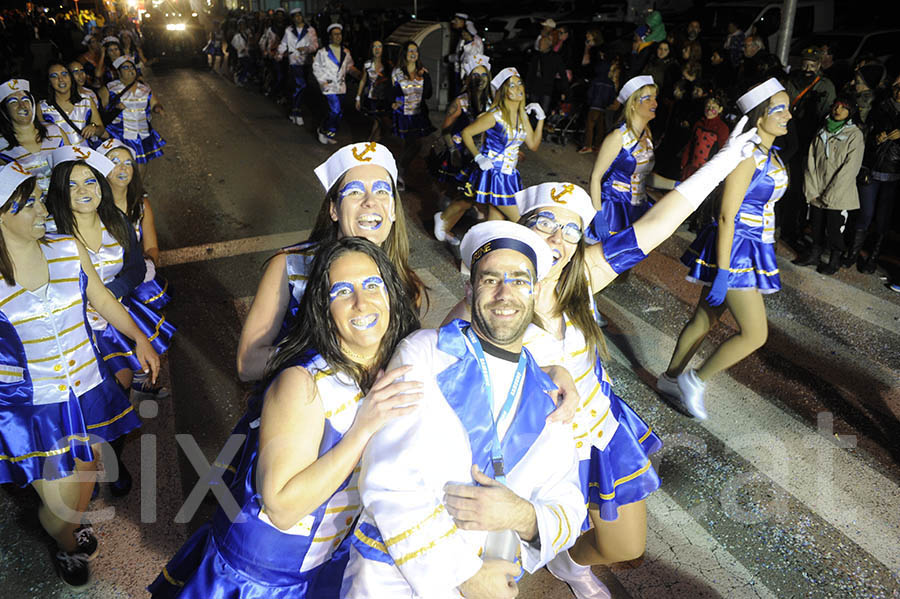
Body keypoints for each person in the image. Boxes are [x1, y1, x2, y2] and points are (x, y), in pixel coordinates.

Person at [148, 237, 422, 599]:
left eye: (373, 284)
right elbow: (280, 506)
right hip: (261, 576)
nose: (362, 301)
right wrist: (363, 429)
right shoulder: (302, 383)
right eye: (343, 291)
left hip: (324, 562)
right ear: (324, 309)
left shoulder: (392, 366)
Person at [342, 221, 586, 598]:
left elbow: (570, 507)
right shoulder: (424, 353)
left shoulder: (547, 394)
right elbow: (388, 479)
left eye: (520, 281)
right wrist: (466, 575)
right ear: (471, 290)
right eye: (491, 280)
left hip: (494, 583)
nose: (505, 293)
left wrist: (521, 515)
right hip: (395, 578)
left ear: (535, 292)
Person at [0, 161, 153, 588]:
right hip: (30, 407)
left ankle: (67, 534)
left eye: (37, 199)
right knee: (59, 503)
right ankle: (68, 544)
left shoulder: (67, 248)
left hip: (87, 386)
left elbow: (101, 297)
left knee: (83, 483)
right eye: (27, 204)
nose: (42, 209)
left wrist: (138, 338)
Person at [236, 142, 425, 383]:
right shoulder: (290, 266)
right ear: (334, 209)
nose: (370, 201)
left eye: (381, 191)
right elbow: (247, 364)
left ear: (394, 211)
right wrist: (333, 353)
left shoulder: (407, 283)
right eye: (355, 191)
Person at [659, 78, 791, 420]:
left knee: (704, 318)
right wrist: (724, 270)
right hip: (736, 249)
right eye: (780, 109)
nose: (789, 115)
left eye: (788, 108)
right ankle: (694, 380)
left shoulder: (769, 155)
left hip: (751, 246)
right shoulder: (748, 156)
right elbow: (726, 214)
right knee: (755, 333)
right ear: (759, 118)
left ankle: (670, 379)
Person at [435, 68, 544, 240]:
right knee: (519, 219)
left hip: (509, 175)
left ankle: (474, 257)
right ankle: (446, 221)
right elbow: (466, 133)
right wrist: (479, 157)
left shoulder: (522, 116)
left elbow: (533, 145)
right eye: (512, 85)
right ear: (504, 91)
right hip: (495, 173)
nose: (518, 88)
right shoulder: (495, 116)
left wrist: (541, 119)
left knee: (495, 223)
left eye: (520, 83)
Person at [100, 137, 172, 389]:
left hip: (133, 279)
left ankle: (144, 380)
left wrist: (148, 264)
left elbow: (151, 245)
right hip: (103, 284)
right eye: (114, 162)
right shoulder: (92, 205)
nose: (122, 168)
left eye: (128, 163)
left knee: (142, 337)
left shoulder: (141, 204)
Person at [586, 75, 676, 244]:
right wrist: (598, 213)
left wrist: (675, 185)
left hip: (635, 210)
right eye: (648, 99)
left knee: (626, 262)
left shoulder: (647, 136)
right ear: (633, 104)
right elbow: (596, 177)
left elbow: (643, 177)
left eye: (655, 99)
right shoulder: (618, 136)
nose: (655, 104)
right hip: (612, 210)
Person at [793, 97, 863, 274]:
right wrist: (813, 190)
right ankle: (814, 253)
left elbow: (849, 168)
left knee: (834, 228)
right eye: (836, 106)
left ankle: (835, 259)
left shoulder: (854, 135)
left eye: (843, 108)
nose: (838, 110)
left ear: (850, 112)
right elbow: (811, 161)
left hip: (838, 194)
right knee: (816, 225)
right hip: (818, 190)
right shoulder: (822, 131)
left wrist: (830, 195)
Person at [845, 72, 900, 274]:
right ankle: (852, 253)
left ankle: (873, 258)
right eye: (896, 85)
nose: (898, 90)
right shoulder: (881, 105)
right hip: (873, 167)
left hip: (894, 172)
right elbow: (865, 129)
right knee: (865, 213)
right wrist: (875, 138)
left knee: (883, 218)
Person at [430, 54, 491, 187]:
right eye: (475, 75)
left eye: (484, 75)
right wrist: (453, 151)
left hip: (481, 152)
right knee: (454, 191)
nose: (480, 79)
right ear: (468, 79)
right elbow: (446, 130)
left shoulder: (491, 102)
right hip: (460, 150)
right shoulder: (460, 102)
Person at [99, 56, 166, 173]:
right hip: (119, 134)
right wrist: (114, 108)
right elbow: (100, 112)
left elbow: (154, 102)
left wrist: (158, 108)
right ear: (118, 72)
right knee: (119, 165)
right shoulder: (109, 89)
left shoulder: (144, 88)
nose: (130, 70)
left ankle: (139, 190)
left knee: (141, 162)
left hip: (141, 133)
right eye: (125, 67)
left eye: (132, 67)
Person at [0, 78, 68, 192]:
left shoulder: (55, 131)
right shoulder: (2, 146)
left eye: (25, 100)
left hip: (62, 200)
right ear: (4, 110)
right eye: (13, 102)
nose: (22, 106)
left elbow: (72, 165)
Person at [390, 40, 434, 187]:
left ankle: (399, 170)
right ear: (404, 54)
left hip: (418, 114)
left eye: (415, 51)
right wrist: (393, 102)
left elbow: (428, 95)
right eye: (410, 51)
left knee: (414, 145)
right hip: (403, 114)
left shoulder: (423, 72)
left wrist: (426, 78)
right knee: (414, 144)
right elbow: (391, 92)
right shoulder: (397, 72)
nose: (413, 54)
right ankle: (399, 171)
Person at [39, 63, 106, 147]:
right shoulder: (42, 107)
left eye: (64, 74)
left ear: (71, 77)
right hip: (60, 157)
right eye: (54, 76)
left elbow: (101, 130)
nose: (60, 79)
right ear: (49, 81)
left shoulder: (86, 100)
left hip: (86, 155)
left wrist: (94, 128)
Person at [312, 24, 356, 145]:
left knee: (338, 112)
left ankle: (329, 132)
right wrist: (323, 81)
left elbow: (349, 66)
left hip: (341, 87)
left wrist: (357, 73)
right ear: (330, 37)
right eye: (335, 34)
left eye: (339, 34)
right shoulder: (323, 52)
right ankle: (323, 130)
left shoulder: (345, 52)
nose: (338, 36)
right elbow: (316, 68)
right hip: (329, 86)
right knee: (335, 110)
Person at [277, 9, 318, 127]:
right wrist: (279, 54)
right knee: (301, 85)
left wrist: (306, 49)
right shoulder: (289, 30)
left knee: (301, 87)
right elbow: (284, 43)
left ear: (302, 17)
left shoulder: (310, 30)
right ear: (293, 18)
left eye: (299, 16)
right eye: (295, 16)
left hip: (306, 61)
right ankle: (297, 112)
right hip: (294, 61)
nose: (297, 18)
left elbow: (315, 45)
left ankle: (294, 110)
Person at [354, 40, 392, 142]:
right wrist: (357, 97)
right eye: (374, 47)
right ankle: (373, 141)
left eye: (379, 46)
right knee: (377, 120)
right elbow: (363, 80)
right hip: (371, 97)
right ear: (371, 49)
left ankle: (372, 141)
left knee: (379, 121)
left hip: (384, 98)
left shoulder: (388, 65)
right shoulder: (367, 64)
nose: (377, 49)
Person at [526, 34, 568, 118]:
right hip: (535, 88)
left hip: (547, 89)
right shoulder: (536, 57)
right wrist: (527, 89)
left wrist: (565, 90)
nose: (540, 45)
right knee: (533, 111)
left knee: (543, 112)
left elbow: (563, 74)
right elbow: (530, 74)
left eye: (542, 43)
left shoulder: (555, 57)